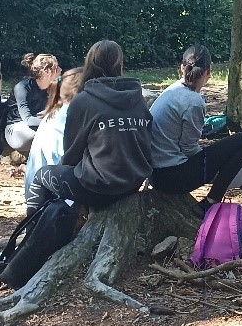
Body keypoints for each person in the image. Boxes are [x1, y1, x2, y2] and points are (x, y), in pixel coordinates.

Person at [149, 45, 242, 230]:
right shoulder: (193, 102)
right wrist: (222, 166)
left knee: (238, 152)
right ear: (209, 71)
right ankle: (213, 201)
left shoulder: (172, 91)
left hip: (157, 174)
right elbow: (189, 149)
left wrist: (223, 161)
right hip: (172, 177)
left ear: (182, 68)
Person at [30, 40, 152, 214]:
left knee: (40, 177)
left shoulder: (83, 101)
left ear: (90, 63)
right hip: (134, 183)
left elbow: (71, 154)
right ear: (119, 64)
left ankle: (34, 228)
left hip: (98, 188)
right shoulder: (138, 98)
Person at [23, 68, 82, 215]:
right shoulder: (69, 117)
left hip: (38, 192)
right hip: (51, 199)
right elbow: (69, 160)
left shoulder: (57, 111)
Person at [6, 53, 61, 153]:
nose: (60, 70)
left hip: (40, 125)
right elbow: (28, 119)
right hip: (17, 128)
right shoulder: (22, 87)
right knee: (47, 135)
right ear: (46, 72)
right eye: (56, 68)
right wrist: (54, 123)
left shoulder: (54, 87)